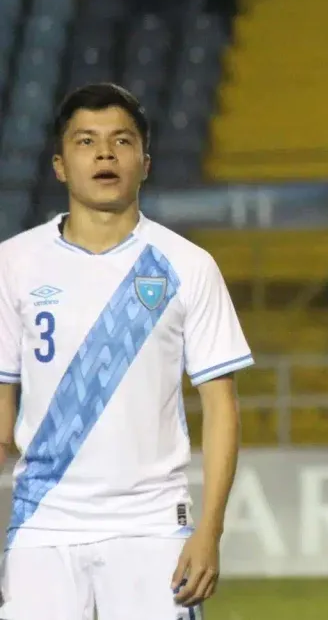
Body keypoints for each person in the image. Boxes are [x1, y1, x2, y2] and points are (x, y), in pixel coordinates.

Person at [0, 83, 253, 619]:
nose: (105, 154)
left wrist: (209, 531)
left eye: (121, 141)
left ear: (145, 163)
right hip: (44, 524)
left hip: (153, 526)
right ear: (60, 165)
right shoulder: (13, 264)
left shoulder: (188, 265)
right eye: (86, 141)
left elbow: (221, 406)